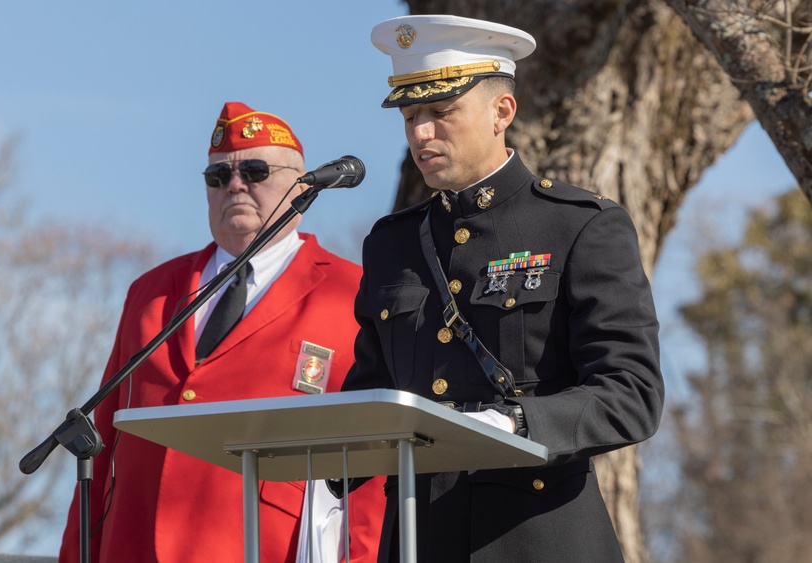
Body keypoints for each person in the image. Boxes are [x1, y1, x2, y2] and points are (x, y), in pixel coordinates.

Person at [335, 15, 665, 561]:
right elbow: (373, 393)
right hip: (418, 540)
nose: (420, 133)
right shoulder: (390, 245)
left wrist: (515, 421)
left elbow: (631, 393)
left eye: (441, 113)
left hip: (535, 539)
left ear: (501, 112)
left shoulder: (578, 225)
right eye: (410, 115)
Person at [58, 101, 384, 563]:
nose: (234, 185)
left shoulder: (354, 294)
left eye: (254, 170)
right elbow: (101, 444)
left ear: (302, 184)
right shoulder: (150, 293)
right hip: (133, 544)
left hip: (262, 547)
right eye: (218, 177)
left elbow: (371, 465)